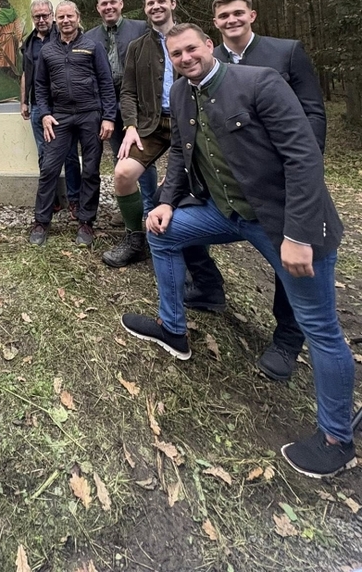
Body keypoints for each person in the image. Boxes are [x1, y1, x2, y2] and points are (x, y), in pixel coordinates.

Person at [120, 24, 356, 479]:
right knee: (162, 233)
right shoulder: (182, 94)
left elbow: (304, 157)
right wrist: (166, 201)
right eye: (176, 54)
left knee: (321, 329)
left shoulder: (261, 82)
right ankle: (173, 329)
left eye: (192, 49)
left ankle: (336, 439)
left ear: (209, 46)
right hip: (227, 213)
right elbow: (182, 156)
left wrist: (299, 235)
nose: (186, 58)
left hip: (284, 223)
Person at [183, 0, 328, 382]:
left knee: (289, 259)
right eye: (223, 16)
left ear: (252, 15)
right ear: (214, 26)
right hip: (227, 183)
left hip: (280, 181)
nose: (231, 20)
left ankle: (288, 338)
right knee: (178, 216)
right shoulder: (208, 61)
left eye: (237, 13)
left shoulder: (285, 53)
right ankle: (208, 287)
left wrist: (303, 166)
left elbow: (313, 112)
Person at [28, 1, 116, 248]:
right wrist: (45, 114)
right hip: (60, 117)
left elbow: (106, 83)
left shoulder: (92, 46)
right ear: (56, 21)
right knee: (49, 168)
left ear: (78, 17)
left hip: (90, 115)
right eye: (61, 17)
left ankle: (86, 222)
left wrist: (108, 117)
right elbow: (40, 86)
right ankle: (41, 221)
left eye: (70, 16)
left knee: (91, 170)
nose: (65, 21)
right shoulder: (47, 51)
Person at [101, 0, 178, 268]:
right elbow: (128, 92)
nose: (156, 7)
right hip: (151, 124)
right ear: (145, 9)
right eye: (150, 3)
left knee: (187, 184)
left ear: (172, 4)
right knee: (122, 172)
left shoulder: (191, 38)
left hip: (187, 122)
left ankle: (190, 252)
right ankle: (136, 240)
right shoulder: (138, 46)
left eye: (161, 1)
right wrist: (131, 126)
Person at [85, 0, 152, 220]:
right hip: (108, 103)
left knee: (143, 153)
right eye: (104, 4)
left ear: (121, 4)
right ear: (98, 9)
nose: (109, 7)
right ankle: (128, 209)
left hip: (137, 101)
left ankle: (150, 206)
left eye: (112, 2)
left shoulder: (141, 28)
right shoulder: (90, 37)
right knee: (119, 154)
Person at [20, 0, 81, 216]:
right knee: (44, 154)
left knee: (70, 154)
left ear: (52, 15)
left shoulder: (62, 36)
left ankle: (75, 199)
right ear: (32, 18)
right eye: (37, 16)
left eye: (45, 15)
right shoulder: (29, 43)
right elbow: (25, 73)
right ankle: (51, 199)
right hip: (38, 105)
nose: (41, 20)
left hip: (62, 106)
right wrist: (24, 101)